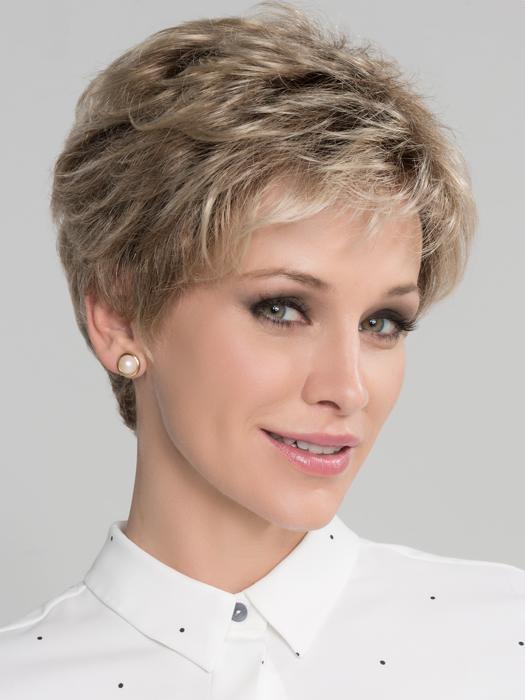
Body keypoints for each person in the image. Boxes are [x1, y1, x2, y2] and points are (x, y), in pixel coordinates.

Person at [1, 1, 524, 697]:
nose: (347, 388)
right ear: (120, 318)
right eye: (281, 309)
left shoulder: (503, 637)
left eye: (382, 322)